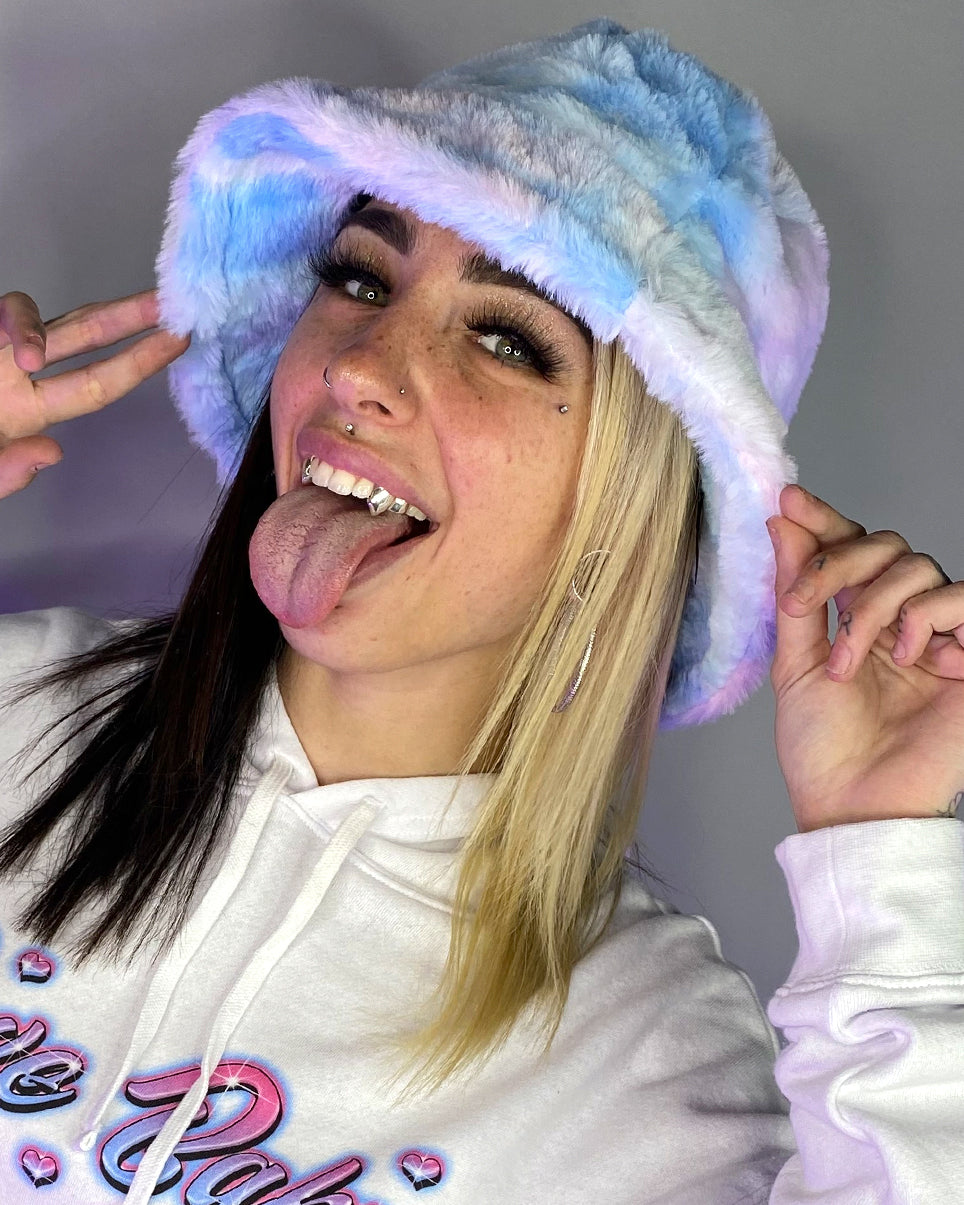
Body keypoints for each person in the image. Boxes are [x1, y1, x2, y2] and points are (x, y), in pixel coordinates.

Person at [0, 18, 962, 1205]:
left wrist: (882, 864)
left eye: (507, 340)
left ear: (626, 504)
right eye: (360, 277)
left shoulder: (642, 1061)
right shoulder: (14, 708)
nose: (358, 366)